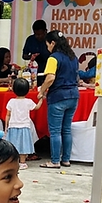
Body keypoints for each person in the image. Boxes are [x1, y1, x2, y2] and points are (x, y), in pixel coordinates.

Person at [37, 31, 79, 169]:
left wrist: (41, 91)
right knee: (66, 130)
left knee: (55, 131)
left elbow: (50, 78)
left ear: (53, 43)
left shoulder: (53, 58)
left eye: (47, 44)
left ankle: (55, 161)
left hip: (58, 97)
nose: (47, 47)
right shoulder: (73, 57)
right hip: (73, 96)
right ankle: (65, 159)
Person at [4, 78, 41, 170]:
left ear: (13, 89)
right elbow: (36, 107)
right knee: (23, 145)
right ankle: (23, 162)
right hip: (24, 126)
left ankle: (14, 162)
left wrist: (6, 126)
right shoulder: (28, 101)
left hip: (13, 126)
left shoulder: (11, 101)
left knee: (13, 145)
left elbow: (8, 115)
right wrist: (41, 100)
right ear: (28, 90)